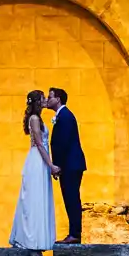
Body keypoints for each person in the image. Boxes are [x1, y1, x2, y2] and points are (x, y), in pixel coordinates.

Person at [8, 89, 57, 250]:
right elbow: (39, 143)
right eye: (42, 98)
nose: (45, 101)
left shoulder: (39, 118)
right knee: (33, 198)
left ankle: (37, 238)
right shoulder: (35, 119)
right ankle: (30, 239)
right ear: (37, 102)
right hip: (37, 160)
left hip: (42, 159)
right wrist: (51, 165)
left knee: (39, 197)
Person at [46, 87, 86, 244]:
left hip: (70, 165)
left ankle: (75, 234)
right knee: (70, 198)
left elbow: (63, 144)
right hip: (69, 164)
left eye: (50, 97)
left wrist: (57, 166)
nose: (48, 100)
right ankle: (73, 233)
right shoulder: (63, 116)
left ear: (58, 99)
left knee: (72, 198)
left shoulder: (65, 116)